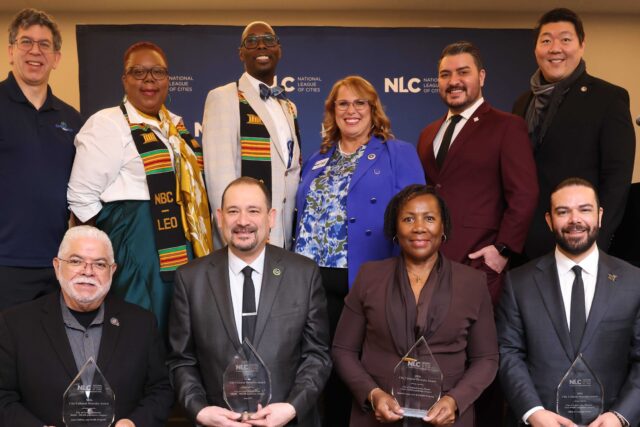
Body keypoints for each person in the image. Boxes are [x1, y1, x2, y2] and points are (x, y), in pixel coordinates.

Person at [294, 75, 425, 426]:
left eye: (359, 103)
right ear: (332, 111)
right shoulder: (318, 158)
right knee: (319, 369)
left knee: (362, 370)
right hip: (312, 281)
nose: (351, 110)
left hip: (367, 278)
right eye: (343, 103)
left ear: (373, 109)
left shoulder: (396, 152)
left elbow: (417, 217)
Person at [67, 41, 212, 335]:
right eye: (138, 72)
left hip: (180, 243)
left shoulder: (175, 127)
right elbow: (81, 198)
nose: (149, 79)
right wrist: (106, 252)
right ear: (125, 79)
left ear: (167, 79)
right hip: (136, 243)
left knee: (179, 329)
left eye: (157, 72)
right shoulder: (108, 123)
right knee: (141, 329)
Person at [167, 177, 331, 427]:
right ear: (220, 217)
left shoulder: (304, 274)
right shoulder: (190, 279)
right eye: (233, 211)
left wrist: (291, 408)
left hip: (288, 421)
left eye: (253, 211)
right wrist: (200, 411)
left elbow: (317, 356)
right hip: (218, 423)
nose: (243, 221)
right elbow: (181, 359)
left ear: (271, 217)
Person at [333, 184, 498, 427]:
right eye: (408, 219)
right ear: (395, 229)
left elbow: (487, 358)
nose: (419, 227)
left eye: (429, 218)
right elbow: (343, 350)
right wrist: (372, 394)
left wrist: (455, 400)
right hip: (376, 418)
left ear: (443, 227)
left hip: (447, 419)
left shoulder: (473, 282)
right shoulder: (369, 277)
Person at [498, 178, 640, 427]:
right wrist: (533, 412)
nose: (575, 219)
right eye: (563, 212)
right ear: (549, 220)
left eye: (584, 209)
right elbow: (508, 353)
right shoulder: (518, 282)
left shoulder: (634, 281)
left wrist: (620, 416)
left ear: (599, 216)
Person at [0, 226, 174, 426]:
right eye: (76, 261)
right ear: (57, 266)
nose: (88, 271)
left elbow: (161, 389)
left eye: (99, 264)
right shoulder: (15, 324)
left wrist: (134, 423)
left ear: (112, 271)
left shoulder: (142, 324)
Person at [417, 41, 538, 306]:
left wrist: (503, 249)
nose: (453, 81)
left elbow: (524, 194)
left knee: (477, 333)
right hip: (430, 263)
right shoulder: (428, 134)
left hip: (479, 262)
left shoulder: (507, 126)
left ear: (481, 77)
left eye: (463, 72)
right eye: (445, 74)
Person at [513, 8, 635, 261]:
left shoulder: (609, 99)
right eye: (546, 40)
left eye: (565, 39)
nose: (555, 48)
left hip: (579, 242)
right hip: (526, 247)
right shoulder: (522, 103)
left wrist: (596, 243)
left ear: (582, 45)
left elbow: (616, 180)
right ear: (536, 49)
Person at [0, 8, 82, 310]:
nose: (35, 51)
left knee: (50, 342)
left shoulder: (72, 119)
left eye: (44, 44)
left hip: (57, 266)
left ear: (56, 57)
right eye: (26, 42)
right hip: (5, 264)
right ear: (11, 51)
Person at [202, 21, 301, 250]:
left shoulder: (288, 107)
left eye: (268, 40)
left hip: (283, 238)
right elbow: (220, 179)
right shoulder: (224, 97)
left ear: (279, 50)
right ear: (241, 53)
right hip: (243, 238)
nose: (261, 46)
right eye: (252, 41)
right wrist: (233, 241)